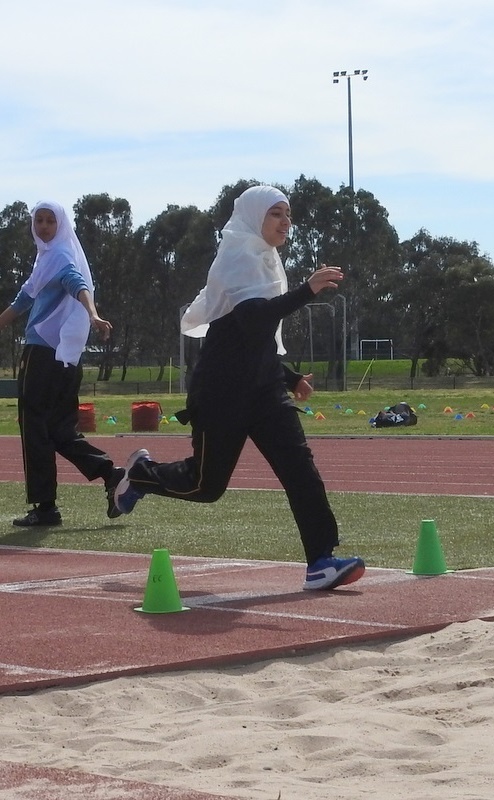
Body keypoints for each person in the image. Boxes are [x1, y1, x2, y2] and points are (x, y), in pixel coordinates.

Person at [115, 185, 365, 590]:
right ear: (253, 216)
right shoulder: (236, 255)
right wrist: (307, 290)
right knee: (205, 487)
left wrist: (289, 378)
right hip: (222, 394)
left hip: (264, 391)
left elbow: (256, 341)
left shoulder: (267, 261)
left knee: (301, 471)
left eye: (287, 214)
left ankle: (321, 560)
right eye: (276, 214)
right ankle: (142, 474)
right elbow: (250, 321)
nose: (286, 222)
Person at [0, 200, 125, 526]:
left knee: (34, 427)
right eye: (38, 220)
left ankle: (45, 507)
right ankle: (109, 473)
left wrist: (93, 314)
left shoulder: (58, 256)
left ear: (60, 225)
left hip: (42, 356)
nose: (43, 226)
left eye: (49, 221)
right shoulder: (47, 260)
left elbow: (76, 284)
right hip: (67, 359)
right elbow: (22, 301)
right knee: (58, 430)